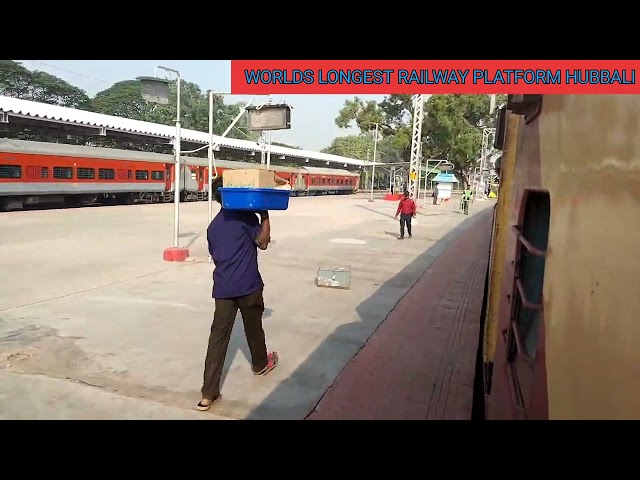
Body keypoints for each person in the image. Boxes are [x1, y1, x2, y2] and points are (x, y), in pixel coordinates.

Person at [197, 175, 279, 411]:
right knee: (253, 328)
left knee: (217, 339)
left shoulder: (213, 226)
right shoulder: (246, 218)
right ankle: (261, 364)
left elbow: (216, 254)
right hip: (248, 285)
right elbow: (263, 242)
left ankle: (207, 394)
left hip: (222, 288)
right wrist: (265, 215)